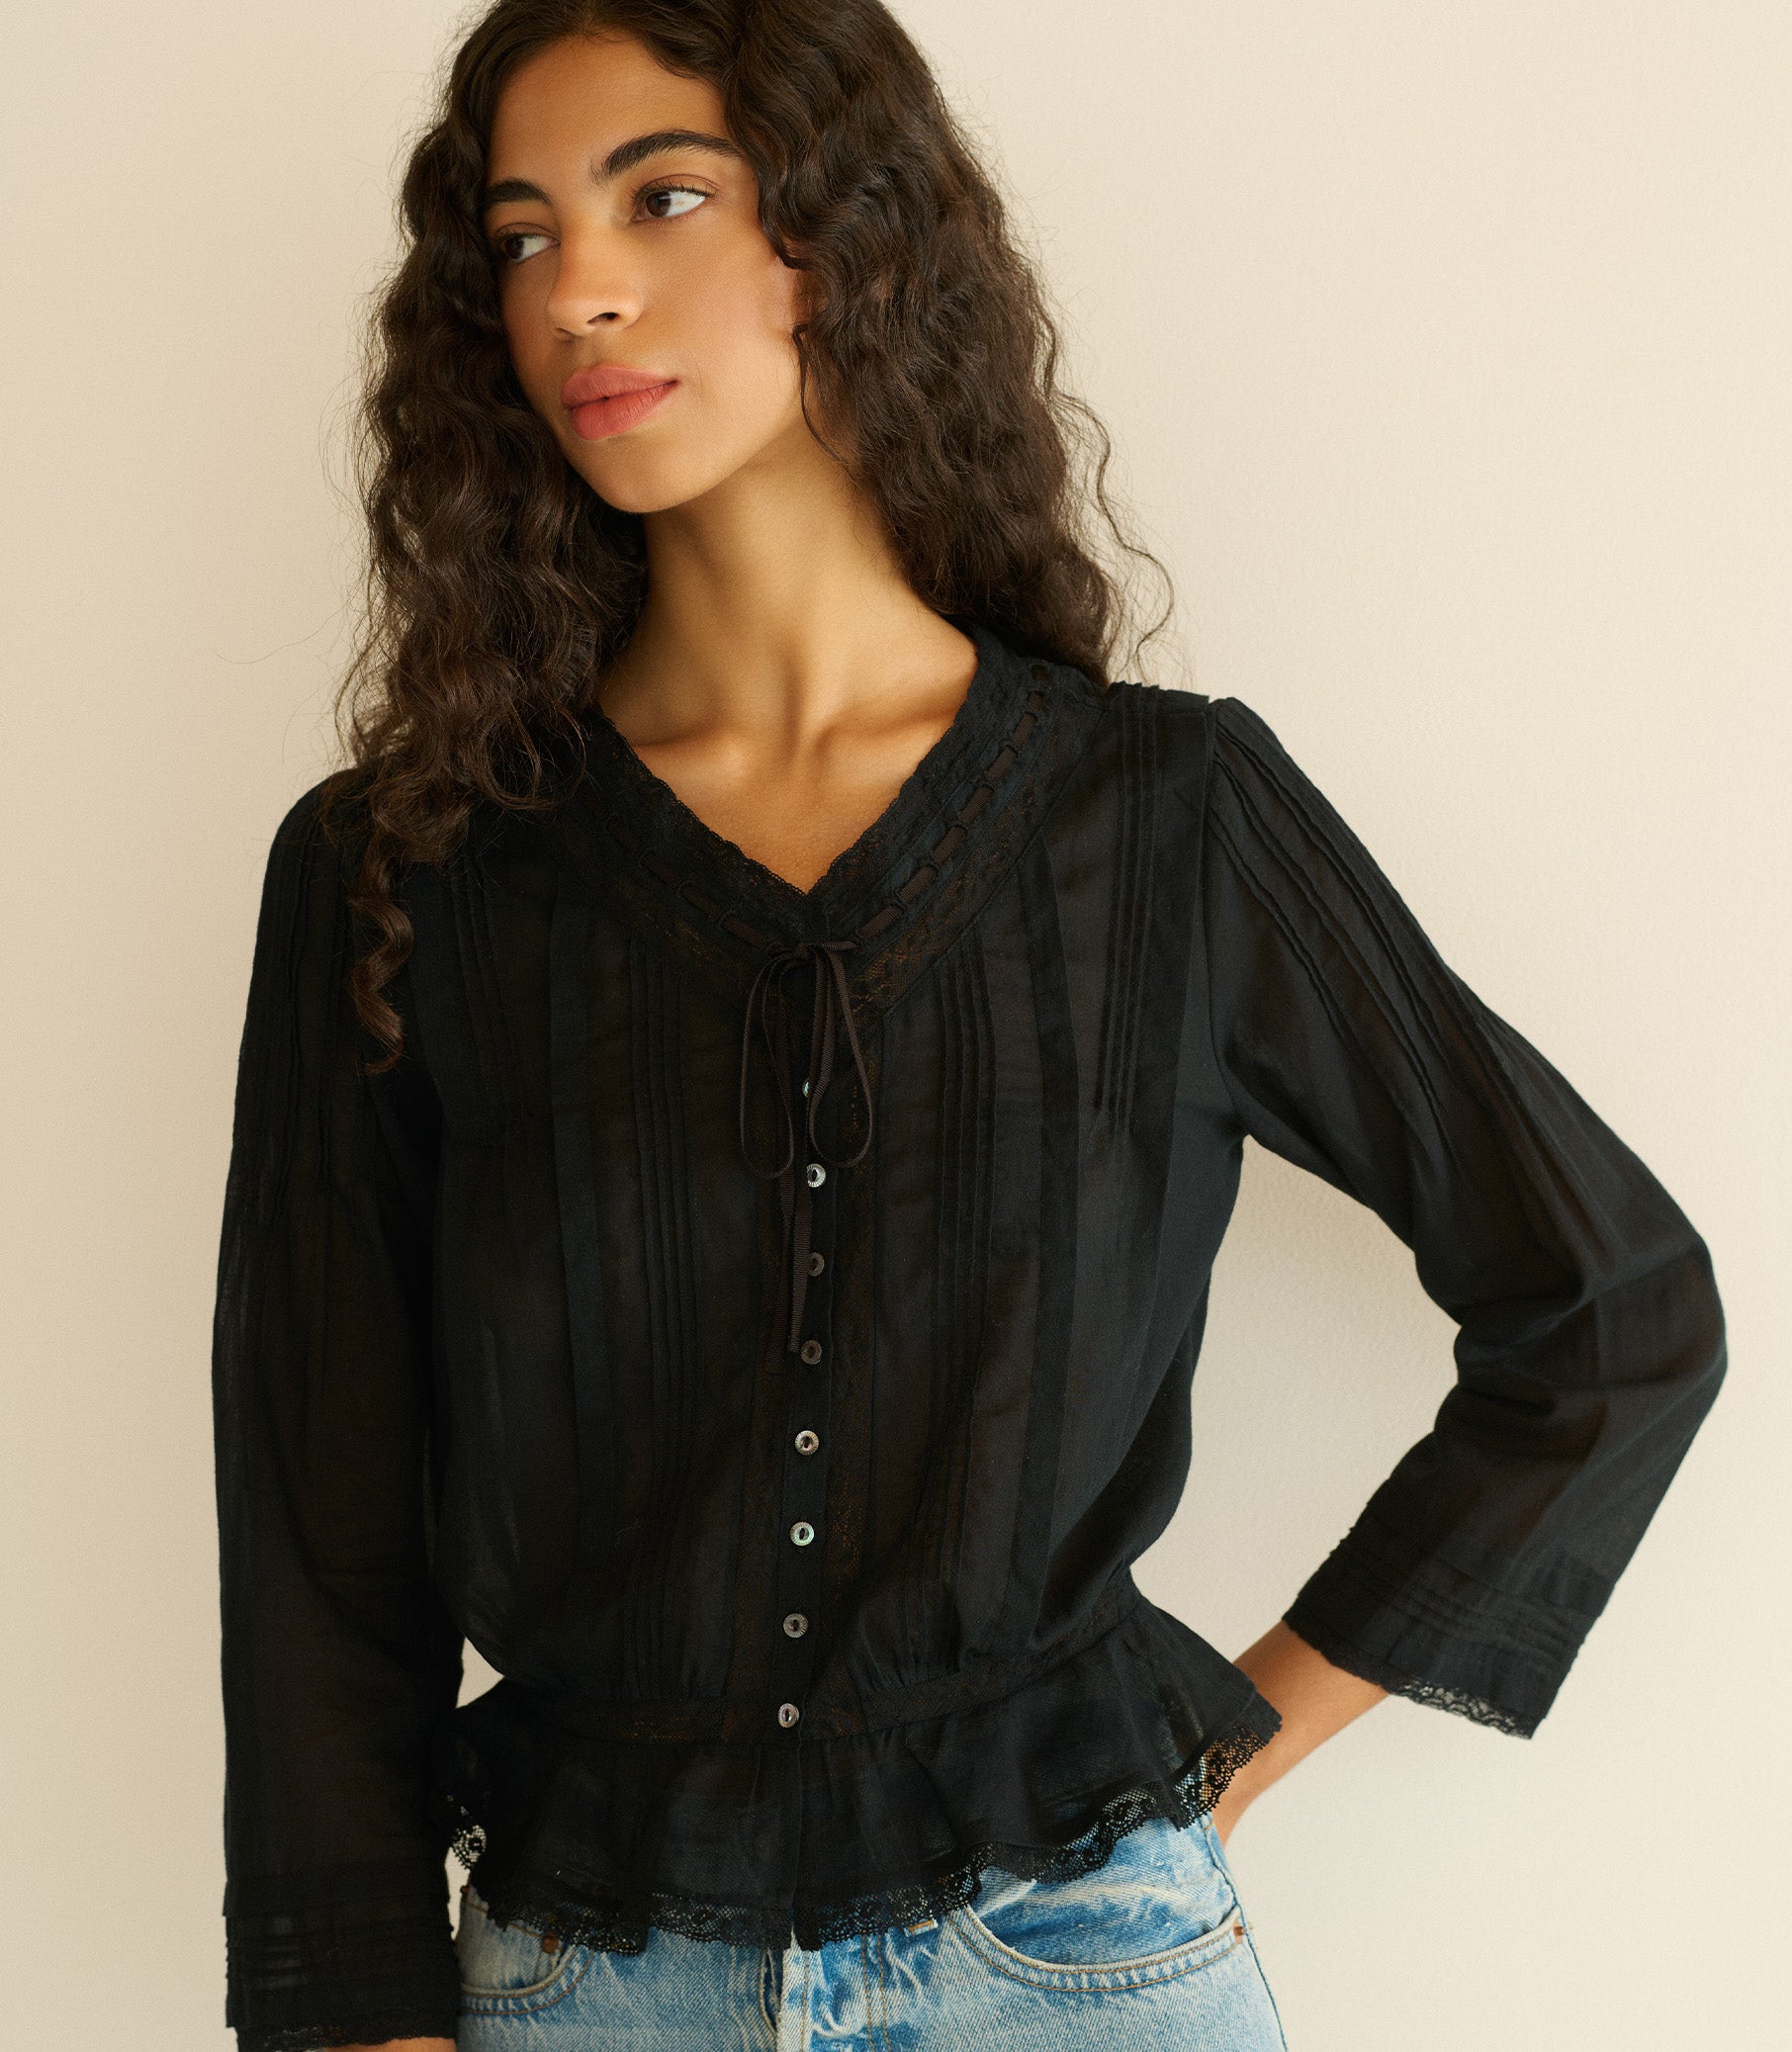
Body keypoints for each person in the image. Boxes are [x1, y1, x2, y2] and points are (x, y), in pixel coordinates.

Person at [208, 3, 1727, 2048]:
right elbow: (316, 1537)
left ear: (844, 238)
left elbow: (1611, 1311)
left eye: (663, 195)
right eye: (521, 231)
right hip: (588, 1986)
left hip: (1085, 1977)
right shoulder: (408, 871)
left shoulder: (1167, 821)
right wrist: (364, 2018)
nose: (580, 285)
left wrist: (1220, 1762)